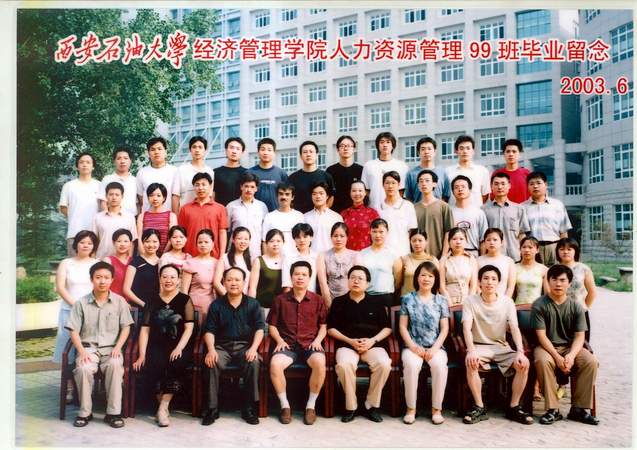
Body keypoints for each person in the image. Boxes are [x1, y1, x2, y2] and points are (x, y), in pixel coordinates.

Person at [461, 265, 533, 425]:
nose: (489, 282)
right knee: (470, 362)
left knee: (523, 364)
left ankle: (514, 407)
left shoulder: (507, 302)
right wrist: (471, 350)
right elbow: (466, 327)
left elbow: (514, 328)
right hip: (479, 346)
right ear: (479, 282)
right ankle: (479, 407)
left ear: (499, 282)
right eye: (486, 278)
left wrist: (520, 352)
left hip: (501, 347)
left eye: (493, 279)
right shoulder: (470, 301)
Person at [66, 261, 134, 428]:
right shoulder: (81, 303)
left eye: (106, 277)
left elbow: (126, 327)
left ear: (112, 280)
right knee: (83, 368)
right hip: (88, 348)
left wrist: (118, 347)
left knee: (115, 366)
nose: (102, 281)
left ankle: (113, 413)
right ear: (92, 279)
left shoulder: (120, 302)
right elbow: (73, 330)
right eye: (98, 277)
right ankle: (85, 412)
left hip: (111, 349)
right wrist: (81, 351)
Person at [531, 264, 599, 425]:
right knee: (542, 361)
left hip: (570, 347)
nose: (558, 284)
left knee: (590, 362)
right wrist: (557, 357)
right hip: (547, 348)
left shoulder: (576, 307)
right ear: (548, 281)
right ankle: (553, 410)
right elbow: (541, 336)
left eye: (562, 280)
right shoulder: (539, 305)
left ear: (569, 283)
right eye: (554, 279)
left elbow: (580, 336)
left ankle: (579, 409)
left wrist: (571, 356)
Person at [132, 264, 195, 427]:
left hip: (178, 345)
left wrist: (179, 347)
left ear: (178, 280)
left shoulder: (185, 299)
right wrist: (142, 354)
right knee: (153, 363)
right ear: (160, 279)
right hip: (156, 344)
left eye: (172, 277)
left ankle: (162, 408)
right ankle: (163, 408)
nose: (168, 280)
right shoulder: (152, 300)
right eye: (165, 276)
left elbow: (189, 328)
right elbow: (145, 329)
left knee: (176, 363)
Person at [328, 265, 392, 423]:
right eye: (352, 278)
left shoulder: (376, 302)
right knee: (344, 365)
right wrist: (350, 341)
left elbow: (387, 328)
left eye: (360, 278)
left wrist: (372, 341)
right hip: (347, 345)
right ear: (348, 280)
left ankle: (371, 405)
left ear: (368, 283)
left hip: (372, 345)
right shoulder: (338, 302)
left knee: (384, 364)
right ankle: (351, 406)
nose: (356, 281)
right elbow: (331, 329)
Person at [201, 267, 265, 426]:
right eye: (229, 280)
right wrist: (211, 350)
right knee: (211, 362)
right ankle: (212, 408)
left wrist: (253, 349)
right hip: (222, 347)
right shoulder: (216, 305)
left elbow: (260, 329)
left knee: (253, 362)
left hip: (245, 346)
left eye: (237, 280)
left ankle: (248, 408)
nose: (233, 283)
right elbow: (209, 330)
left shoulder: (253, 304)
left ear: (244, 282)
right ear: (224, 282)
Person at [267, 261, 327, 425]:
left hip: (310, 344)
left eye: (304, 275)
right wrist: (279, 340)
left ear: (309, 278)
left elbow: (323, 326)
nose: (300, 277)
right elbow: (272, 325)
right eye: (297, 274)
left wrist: (318, 340)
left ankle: (310, 406)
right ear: (291, 277)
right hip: (287, 345)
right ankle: (285, 406)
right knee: (275, 364)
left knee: (320, 362)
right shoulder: (280, 300)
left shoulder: (318, 300)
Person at [399, 261, 449, 425]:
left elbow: (444, 329)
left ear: (435, 279)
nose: (426, 279)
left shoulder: (441, 300)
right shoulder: (407, 299)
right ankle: (411, 409)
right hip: (412, 347)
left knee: (439, 366)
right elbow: (403, 327)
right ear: (417, 278)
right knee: (412, 366)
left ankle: (436, 409)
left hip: (435, 347)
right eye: (423, 275)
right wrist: (413, 347)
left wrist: (434, 349)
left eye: (430, 276)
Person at [53, 230, 100, 402]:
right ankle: (70, 389)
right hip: (69, 311)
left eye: (89, 243)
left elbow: (101, 287)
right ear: (76, 244)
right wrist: (76, 305)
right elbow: (60, 288)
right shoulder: (66, 263)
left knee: (88, 349)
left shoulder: (97, 263)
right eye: (82, 242)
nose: (86, 245)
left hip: (92, 312)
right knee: (68, 352)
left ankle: (87, 387)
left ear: (94, 246)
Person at [523, 171, 572, 266]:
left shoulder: (557, 205)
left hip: (555, 247)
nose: (535, 186)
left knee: (556, 273)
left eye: (538, 183)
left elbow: (563, 232)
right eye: (531, 184)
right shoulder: (522, 207)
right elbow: (522, 234)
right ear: (528, 187)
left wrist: (564, 250)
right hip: (533, 249)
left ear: (545, 185)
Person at [178, 172, 228, 259]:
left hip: (213, 256)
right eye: (197, 185)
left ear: (210, 186)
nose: (200, 188)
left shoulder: (220, 208)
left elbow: (222, 233)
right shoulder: (185, 209)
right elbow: (181, 234)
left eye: (204, 184)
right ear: (194, 187)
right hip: (190, 256)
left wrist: (221, 256)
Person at [59, 153, 101, 256]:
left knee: (94, 265)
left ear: (93, 166)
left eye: (88, 162)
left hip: (95, 234)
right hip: (74, 233)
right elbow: (63, 207)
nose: (84, 165)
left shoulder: (100, 185)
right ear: (77, 166)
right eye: (81, 162)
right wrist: (75, 217)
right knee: (74, 264)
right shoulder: (69, 186)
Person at [483, 172, 530, 262]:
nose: (500, 187)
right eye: (496, 184)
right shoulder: (484, 210)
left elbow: (522, 234)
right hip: (491, 258)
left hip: (514, 256)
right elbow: (482, 237)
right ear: (491, 187)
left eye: (503, 184)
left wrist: (523, 254)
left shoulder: (519, 209)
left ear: (509, 186)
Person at [358, 218, 402, 308]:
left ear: (387, 233)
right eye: (374, 231)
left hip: (386, 297)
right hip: (366, 296)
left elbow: (398, 280)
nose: (377, 235)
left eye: (381, 232)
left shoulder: (393, 254)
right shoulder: (362, 254)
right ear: (370, 232)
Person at [361, 132, 409, 211]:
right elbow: (366, 190)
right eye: (382, 142)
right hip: (374, 210)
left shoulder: (402, 166)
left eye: (388, 142)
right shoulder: (369, 165)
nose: (385, 145)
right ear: (377, 146)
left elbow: (402, 191)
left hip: (395, 210)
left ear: (393, 145)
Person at [317, 222, 360, 308]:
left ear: (347, 237)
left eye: (342, 236)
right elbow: (322, 282)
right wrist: (329, 303)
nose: (338, 239)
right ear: (331, 237)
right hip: (331, 298)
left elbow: (358, 280)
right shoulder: (323, 255)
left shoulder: (355, 255)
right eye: (335, 236)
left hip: (351, 300)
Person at [226, 172, 269, 259]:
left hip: (255, 253)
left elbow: (265, 233)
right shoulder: (231, 206)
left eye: (252, 187)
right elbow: (227, 232)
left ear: (256, 189)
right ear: (241, 187)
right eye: (246, 186)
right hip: (235, 254)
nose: (249, 190)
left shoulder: (262, 207)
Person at [413, 169, 454, 260]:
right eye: (421, 181)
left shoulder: (444, 206)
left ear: (434, 184)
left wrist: (444, 256)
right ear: (418, 185)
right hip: (418, 256)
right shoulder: (413, 208)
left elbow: (449, 232)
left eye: (427, 181)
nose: (424, 184)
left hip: (438, 256)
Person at [288, 140, 335, 213]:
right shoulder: (292, 178)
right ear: (300, 156)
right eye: (305, 152)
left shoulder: (326, 176)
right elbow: (288, 199)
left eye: (311, 152)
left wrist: (322, 212)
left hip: (320, 216)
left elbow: (331, 196)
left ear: (317, 155)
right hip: (299, 217)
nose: (308, 154)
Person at [93, 182, 137, 259]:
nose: (114, 197)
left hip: (122, 261)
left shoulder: (129, 217)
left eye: (117, 195)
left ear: (122, 196)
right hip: (101, 259)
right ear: (106, 196)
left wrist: (128, 259)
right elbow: (94, 240)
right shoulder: (98, 217)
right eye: (111, 194)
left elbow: (132, 241)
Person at [443, 135, 491, 207]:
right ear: (456, 151)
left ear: (473, 151)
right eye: (461, 148)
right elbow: (445, 196)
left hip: (476, 211)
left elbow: (485, 195)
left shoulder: (482, 171)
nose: (465, 151)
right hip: (454, 211)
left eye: (468, 148)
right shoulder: (447, 171)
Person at [181, 229, 218, 321]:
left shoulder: (217, 263)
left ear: (213, 244)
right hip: (194, 305)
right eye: (200, 242)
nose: (203, 245)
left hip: (213, 306)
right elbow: (184, 290)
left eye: (206, 242)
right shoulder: (190, 263)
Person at [379, 171, 418, 257]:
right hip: (382, 253)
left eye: (393, 183)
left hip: (402, 252)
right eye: (387, 183)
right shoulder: (378, 207)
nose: (390, 186)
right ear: (383, 185)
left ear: (399, 185)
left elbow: (412, 231)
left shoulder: (408, 206)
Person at [261, 183, 305, 259]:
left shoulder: (299, 216)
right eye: (281, 194)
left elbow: (304, 240)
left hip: (295, 258)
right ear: (277, 196)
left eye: (287, 194)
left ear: (292, 197)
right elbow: (264, 242)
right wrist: (266, 261)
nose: (284, 197)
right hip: (274, 259)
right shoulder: (269, 216)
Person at [136, 137, 179, 213]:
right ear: (148, 153)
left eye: (159, 149)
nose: (156, 152)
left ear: (165, 152)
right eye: (153, 149)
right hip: (148, 216)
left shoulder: (174, 171)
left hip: (168, 216)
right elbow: (140, 197)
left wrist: (175, 216)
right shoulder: (142, 173)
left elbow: (175, 196)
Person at [449, 175, 488, 257]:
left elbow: (483, 240)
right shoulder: (449, 212)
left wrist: (482, 258)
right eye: (456, 187)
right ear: (452, 191)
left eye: (463, 187)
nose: (460, 189)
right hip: (454, 255)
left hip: (474, 253)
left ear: (470, 190)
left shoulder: (479, 213)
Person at [173, 136, 214, 212]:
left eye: (200, 147)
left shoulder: (210, 171)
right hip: (185, 213)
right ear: (190, 150)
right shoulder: (181, 170)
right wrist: (175, 216)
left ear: (205, 150)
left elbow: (210, 195)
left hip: (204, 212)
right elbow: (175, 195)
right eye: (194, 147)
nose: (197, 150)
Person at [439, 227, 478, 306]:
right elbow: (441, 286)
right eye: (454, 239)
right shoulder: (443, 260)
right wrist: (450, 304)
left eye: (461, 239)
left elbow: (473, 286)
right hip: (448, 302)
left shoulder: (471, 259)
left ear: (466, 241)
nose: (458, 242)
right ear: (449, 242)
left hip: (468, 301)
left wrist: (468, 304)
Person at [122, 228, 160, 309]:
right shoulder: (135, 262)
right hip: (138, 307)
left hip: (157, 308)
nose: (151, 245)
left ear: (159, 243)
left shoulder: (162, 262)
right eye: (147, 241)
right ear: (142, 242)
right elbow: (126, 289)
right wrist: (143, 304)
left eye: (155, 241)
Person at [556, 238, 596, 312]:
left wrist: (584, 309)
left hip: (579, 311)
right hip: (558, 312)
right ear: (557, 251)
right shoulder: (552, 269)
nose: (565, 252)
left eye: (569, 249)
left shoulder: (584, 269)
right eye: (562, 249)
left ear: (575, 251)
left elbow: (592, 292)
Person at [136, 183, 177, 256]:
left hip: (166, 256)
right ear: (148, 197)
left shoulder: (171, 216)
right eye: (151, 195)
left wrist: (162, 257)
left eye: (158, 195)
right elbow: (139, 238)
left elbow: (171, 239)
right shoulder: (142, 216)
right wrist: (146, 256)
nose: (155, 198)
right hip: (145, 256)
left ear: (164, 198)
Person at [249, 137, 289, 212]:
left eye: (269, 150)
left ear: (274, 153)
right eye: (263, 149)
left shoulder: (281, 173)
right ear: (258, 152)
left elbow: (287, 195)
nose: (266, 153)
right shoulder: (250, 172)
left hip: (276, 213)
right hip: (254, 213)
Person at [396, 229, 439, 297]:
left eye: (420, 240)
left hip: (428, 299)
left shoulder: (433, 260)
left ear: (426, 242)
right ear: (410, 242)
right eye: (414, 241)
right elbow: (398, 283)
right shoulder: (403, 260)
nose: (417, 243)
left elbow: (437, 283)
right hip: (408, 299)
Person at [248, 229, 284, 312]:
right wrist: (251, 308)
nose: (275, 244)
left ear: (283, 243)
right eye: (272, 241)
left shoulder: (286, 261)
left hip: (281, 309)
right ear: (266, 243)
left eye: (278, 241)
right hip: (262, 308)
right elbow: (252, 288)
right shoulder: (258, 261)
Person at [303, 182, 344, 254]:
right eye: (314, 194)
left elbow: (341, 240)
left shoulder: (336, 217)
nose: (318, 196)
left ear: (327, 196)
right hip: (311, 257)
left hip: (331, 256)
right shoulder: (305, 217)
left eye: (321, 193)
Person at [326, 135, 363, 213]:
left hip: (357, 213)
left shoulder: (361, 170)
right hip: (335, 213)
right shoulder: (330, 171)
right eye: (342, 146)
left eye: (349, 146)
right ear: (337, 149)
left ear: (354, 149)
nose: (345, 148)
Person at [404, 137, 447, 203]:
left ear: (435, 152)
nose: (426, 152)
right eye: (423, 149)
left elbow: (446, 196)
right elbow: (409, 198)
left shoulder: (442, 172)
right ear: (418, 152)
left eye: (429, 149)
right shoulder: (411, 174)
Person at [340, 180, 380, 251]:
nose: (357, 193)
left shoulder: (372, 213)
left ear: (365, 193)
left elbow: (378, 235)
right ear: (350, 193)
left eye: (360, 190)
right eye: (354, 191)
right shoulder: (344, 214)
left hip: (367, 254)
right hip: (348, 254)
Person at [477, 228, 516, 298]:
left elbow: (510, 287)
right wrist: (483, 299)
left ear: (502, 242)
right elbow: (476, 284)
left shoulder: (509, 261)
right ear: (484, 242)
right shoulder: (478, 261)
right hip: (481, 301)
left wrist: (504, 301)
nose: (491, 242)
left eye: (495, 240)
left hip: (503, 301)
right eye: (488, 240)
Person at [98, 147, 138, 216]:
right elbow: (103, 201)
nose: (122, 161)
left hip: (131, 218)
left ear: (130, 161)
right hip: (111, 217)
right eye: (119, 158)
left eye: (125, 158)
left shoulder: (135, 180)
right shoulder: (107, 179)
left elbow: (138, 203)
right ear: (114, 161)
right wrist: (107, 217)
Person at [214, 226, 252, 296]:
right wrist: (229, 298)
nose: (243, 241)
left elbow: (251, 286)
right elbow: (216, 282)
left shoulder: (252, 260)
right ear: (233, 240)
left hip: (245, 300)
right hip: (227, 299)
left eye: (246, 239)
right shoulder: (224, 258)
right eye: (239, 238)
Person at [281, 223, 319, 293]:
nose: (302, 240)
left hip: (312, 296)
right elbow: (287, 285)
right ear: (294, 239)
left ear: (311, 237)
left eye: (305, 236)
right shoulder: (288, 257)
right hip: (293, 297)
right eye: (298, 237)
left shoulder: (317, 257)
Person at [491, 139, 530, 204]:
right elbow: (492, 197)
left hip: (523, 209)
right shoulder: (496, 174)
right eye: (508, 151)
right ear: (504, 154)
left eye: (514, 151)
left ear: (520, 154)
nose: (511, 154)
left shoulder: (527, 174)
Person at [212, 137, 248, 206]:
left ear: (242, 152)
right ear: (226, 150)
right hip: (221, 210)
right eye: (231, 148)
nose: (234, 151)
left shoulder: (247, 173)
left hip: (241, 211)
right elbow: (212, 196)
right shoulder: (216, 172)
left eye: (238, 149)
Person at [514, 237, 549, 305]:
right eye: (524, 247)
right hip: (518, 307)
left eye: (530, 247)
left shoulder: (544, 269)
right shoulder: (514, 268)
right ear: (520, 249)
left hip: (537, 308)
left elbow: (547, 294)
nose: (527, 250)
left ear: (537, 250)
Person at [103, 229, 133, 298]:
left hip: (131, 301)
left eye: (126, 241)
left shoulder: (134, 261)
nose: (122, 244)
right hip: (112, 300)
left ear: (130, 243)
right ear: (113, 243)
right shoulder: (108, 261)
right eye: (119, 241)